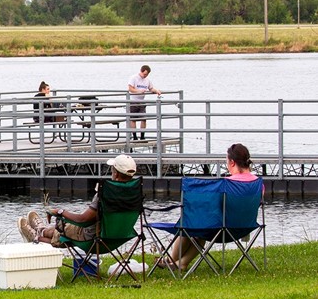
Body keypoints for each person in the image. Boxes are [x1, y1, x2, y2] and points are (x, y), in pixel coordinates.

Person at [157, 143, 260, 271]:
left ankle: (170, 260)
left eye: (227, 162)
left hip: (222, 230)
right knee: (198, 228)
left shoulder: (228, 184)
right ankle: (180, 263)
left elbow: (214, 206)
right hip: (244, 228)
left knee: (193, 224)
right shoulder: (258, 183)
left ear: (232, 163)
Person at [17, 154, 137, 245]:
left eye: (112, 169)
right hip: (120, 237)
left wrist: (60, 212)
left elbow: (82, 220)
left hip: (94, 238)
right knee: (68, 227)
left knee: (62, 228)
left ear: (115, 174)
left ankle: (35, 237)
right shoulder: (136, 192)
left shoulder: (106, 192)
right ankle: (40, 230)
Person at [127, 65, 162, 141]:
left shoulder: (147, 80)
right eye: (144, 74)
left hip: (142, 102)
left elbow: (151, 88)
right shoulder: (134, 78)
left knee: (144, 119)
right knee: (133, 120)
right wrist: (138, 91)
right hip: (133, 101)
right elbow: (130, 88)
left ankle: (142, 136)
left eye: (147, 74)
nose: (145, 76)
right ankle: (135, 136)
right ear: (141, 71)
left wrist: (157, 91)